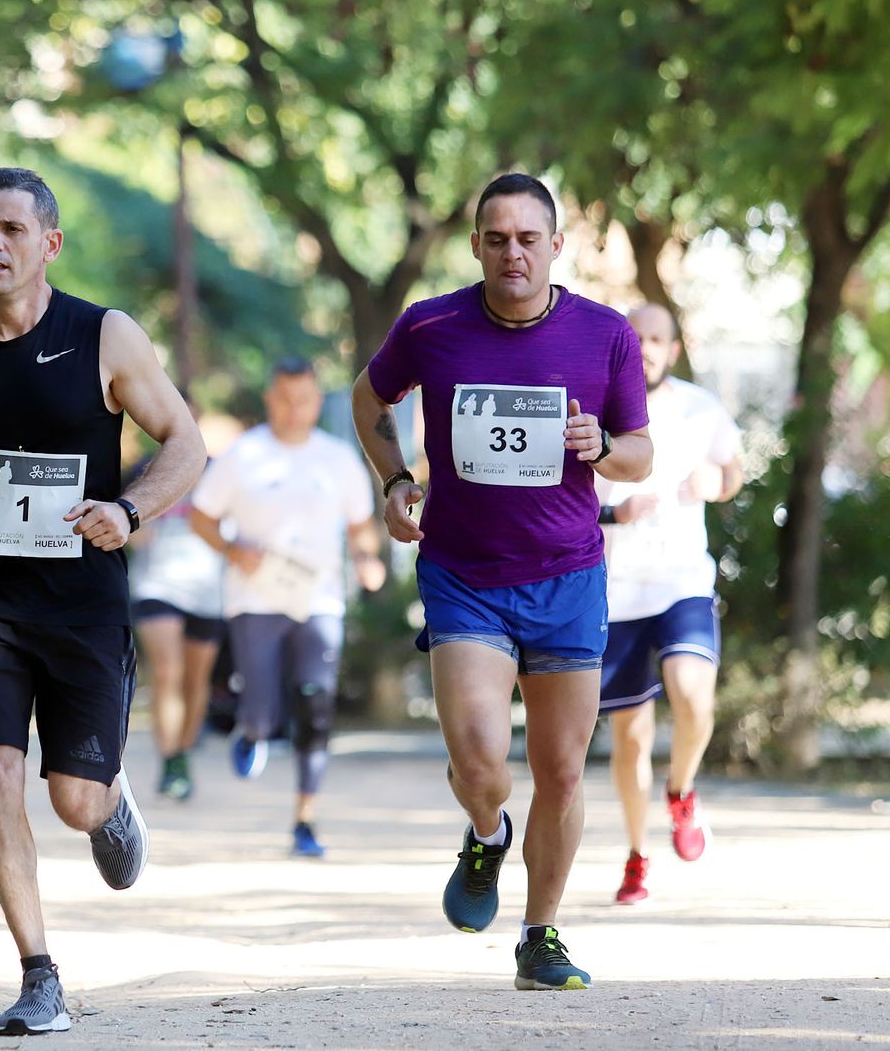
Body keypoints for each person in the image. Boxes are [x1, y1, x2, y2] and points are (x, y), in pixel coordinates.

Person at [0, 167, 205, 1035]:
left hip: (83, 601)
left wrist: (129, 510)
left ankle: (109, 791)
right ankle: (38, 970)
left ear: (49, 243)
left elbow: (187, 443)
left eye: (13, 229)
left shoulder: (105, 336)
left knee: (73, 803)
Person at [351, 173, 652, 990]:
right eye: (496, 237)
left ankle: (541, 933)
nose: (511, 251)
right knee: (481, 757)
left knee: (560, 771)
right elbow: (368, 396)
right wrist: (393, 480)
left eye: (528, 238)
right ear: (476, 244)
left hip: (567, 577)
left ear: (557, 247)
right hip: (465, 575)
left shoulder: (606, 334)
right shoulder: (433, 324)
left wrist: (600, 445)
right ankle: (487, 829)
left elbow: (639, 453)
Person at [190, 359, 381, 855]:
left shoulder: (338, 459)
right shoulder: (243, 455)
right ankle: (251, 731)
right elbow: (202, 517)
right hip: (255, 601)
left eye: (305, 399)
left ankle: (305, 819)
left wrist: (367, 561)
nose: (295, 410)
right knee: (262, 711)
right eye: (285, 399)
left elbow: (361, 526)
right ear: (270, 399)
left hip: (319, 602)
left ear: (317, 401)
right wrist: (233, 550)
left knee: (316, 707)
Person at [598, 303, 743, 904]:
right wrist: (615, 512)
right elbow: (562, 500)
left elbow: (731, 472)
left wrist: (717, 482)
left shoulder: (698, 407)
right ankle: (638, 856)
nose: (647, 346)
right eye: (636, 335)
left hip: (683, 580)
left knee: (692, 696)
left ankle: (681, 790)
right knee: (630, 738)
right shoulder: (593, 407)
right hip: (615, 590)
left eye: (657, 337)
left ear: (673, 348)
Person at [126, 398, 226, 802]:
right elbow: (124, 527)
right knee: (167, 671)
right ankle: (169, 760)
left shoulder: (220, 473)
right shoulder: (141, 471)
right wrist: (135, 530)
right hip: (156, 585)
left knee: (195, 680)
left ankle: (182, 754)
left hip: (207, 588)